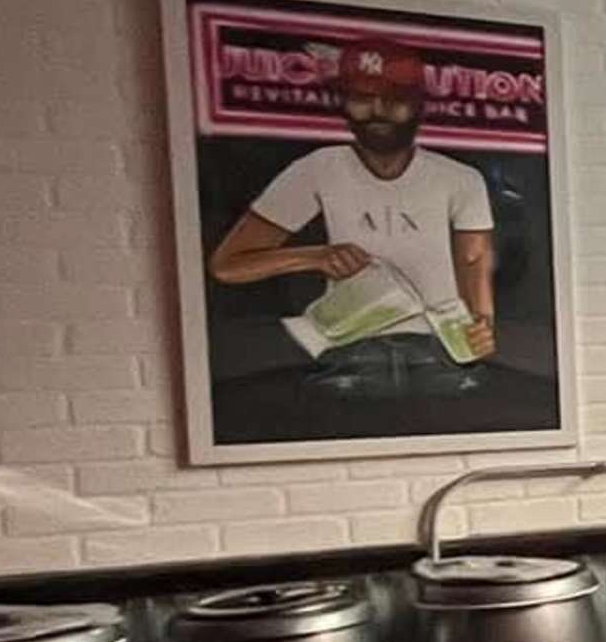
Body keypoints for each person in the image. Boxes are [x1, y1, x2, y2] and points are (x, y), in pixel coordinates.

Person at [209, 43, 497, 392]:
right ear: (342, 103)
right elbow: (228, 264)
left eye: (394, 99)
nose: (378, 111)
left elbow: (474, 259)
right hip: (350, 348)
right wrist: (314, 256)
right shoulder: (317, 169)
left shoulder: (459, 178)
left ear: (420, 105)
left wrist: (482, 327)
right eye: (362, 98)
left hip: (438, 349)